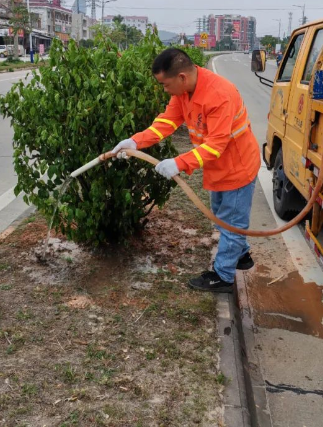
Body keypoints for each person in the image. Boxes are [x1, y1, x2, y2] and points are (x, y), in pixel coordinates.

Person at [111, 48, 261, 293]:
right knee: (222, 215)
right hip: (217, 166)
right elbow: (167, 121)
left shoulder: (219, 95)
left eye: (165, 84)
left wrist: (179, 163)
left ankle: (223, 277)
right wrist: (136, 141)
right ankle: (241, 256)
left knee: (232, 222)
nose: (164, 90)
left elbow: (217, 144)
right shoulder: (184, 92)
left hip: (237, 167)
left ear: (181, 77)